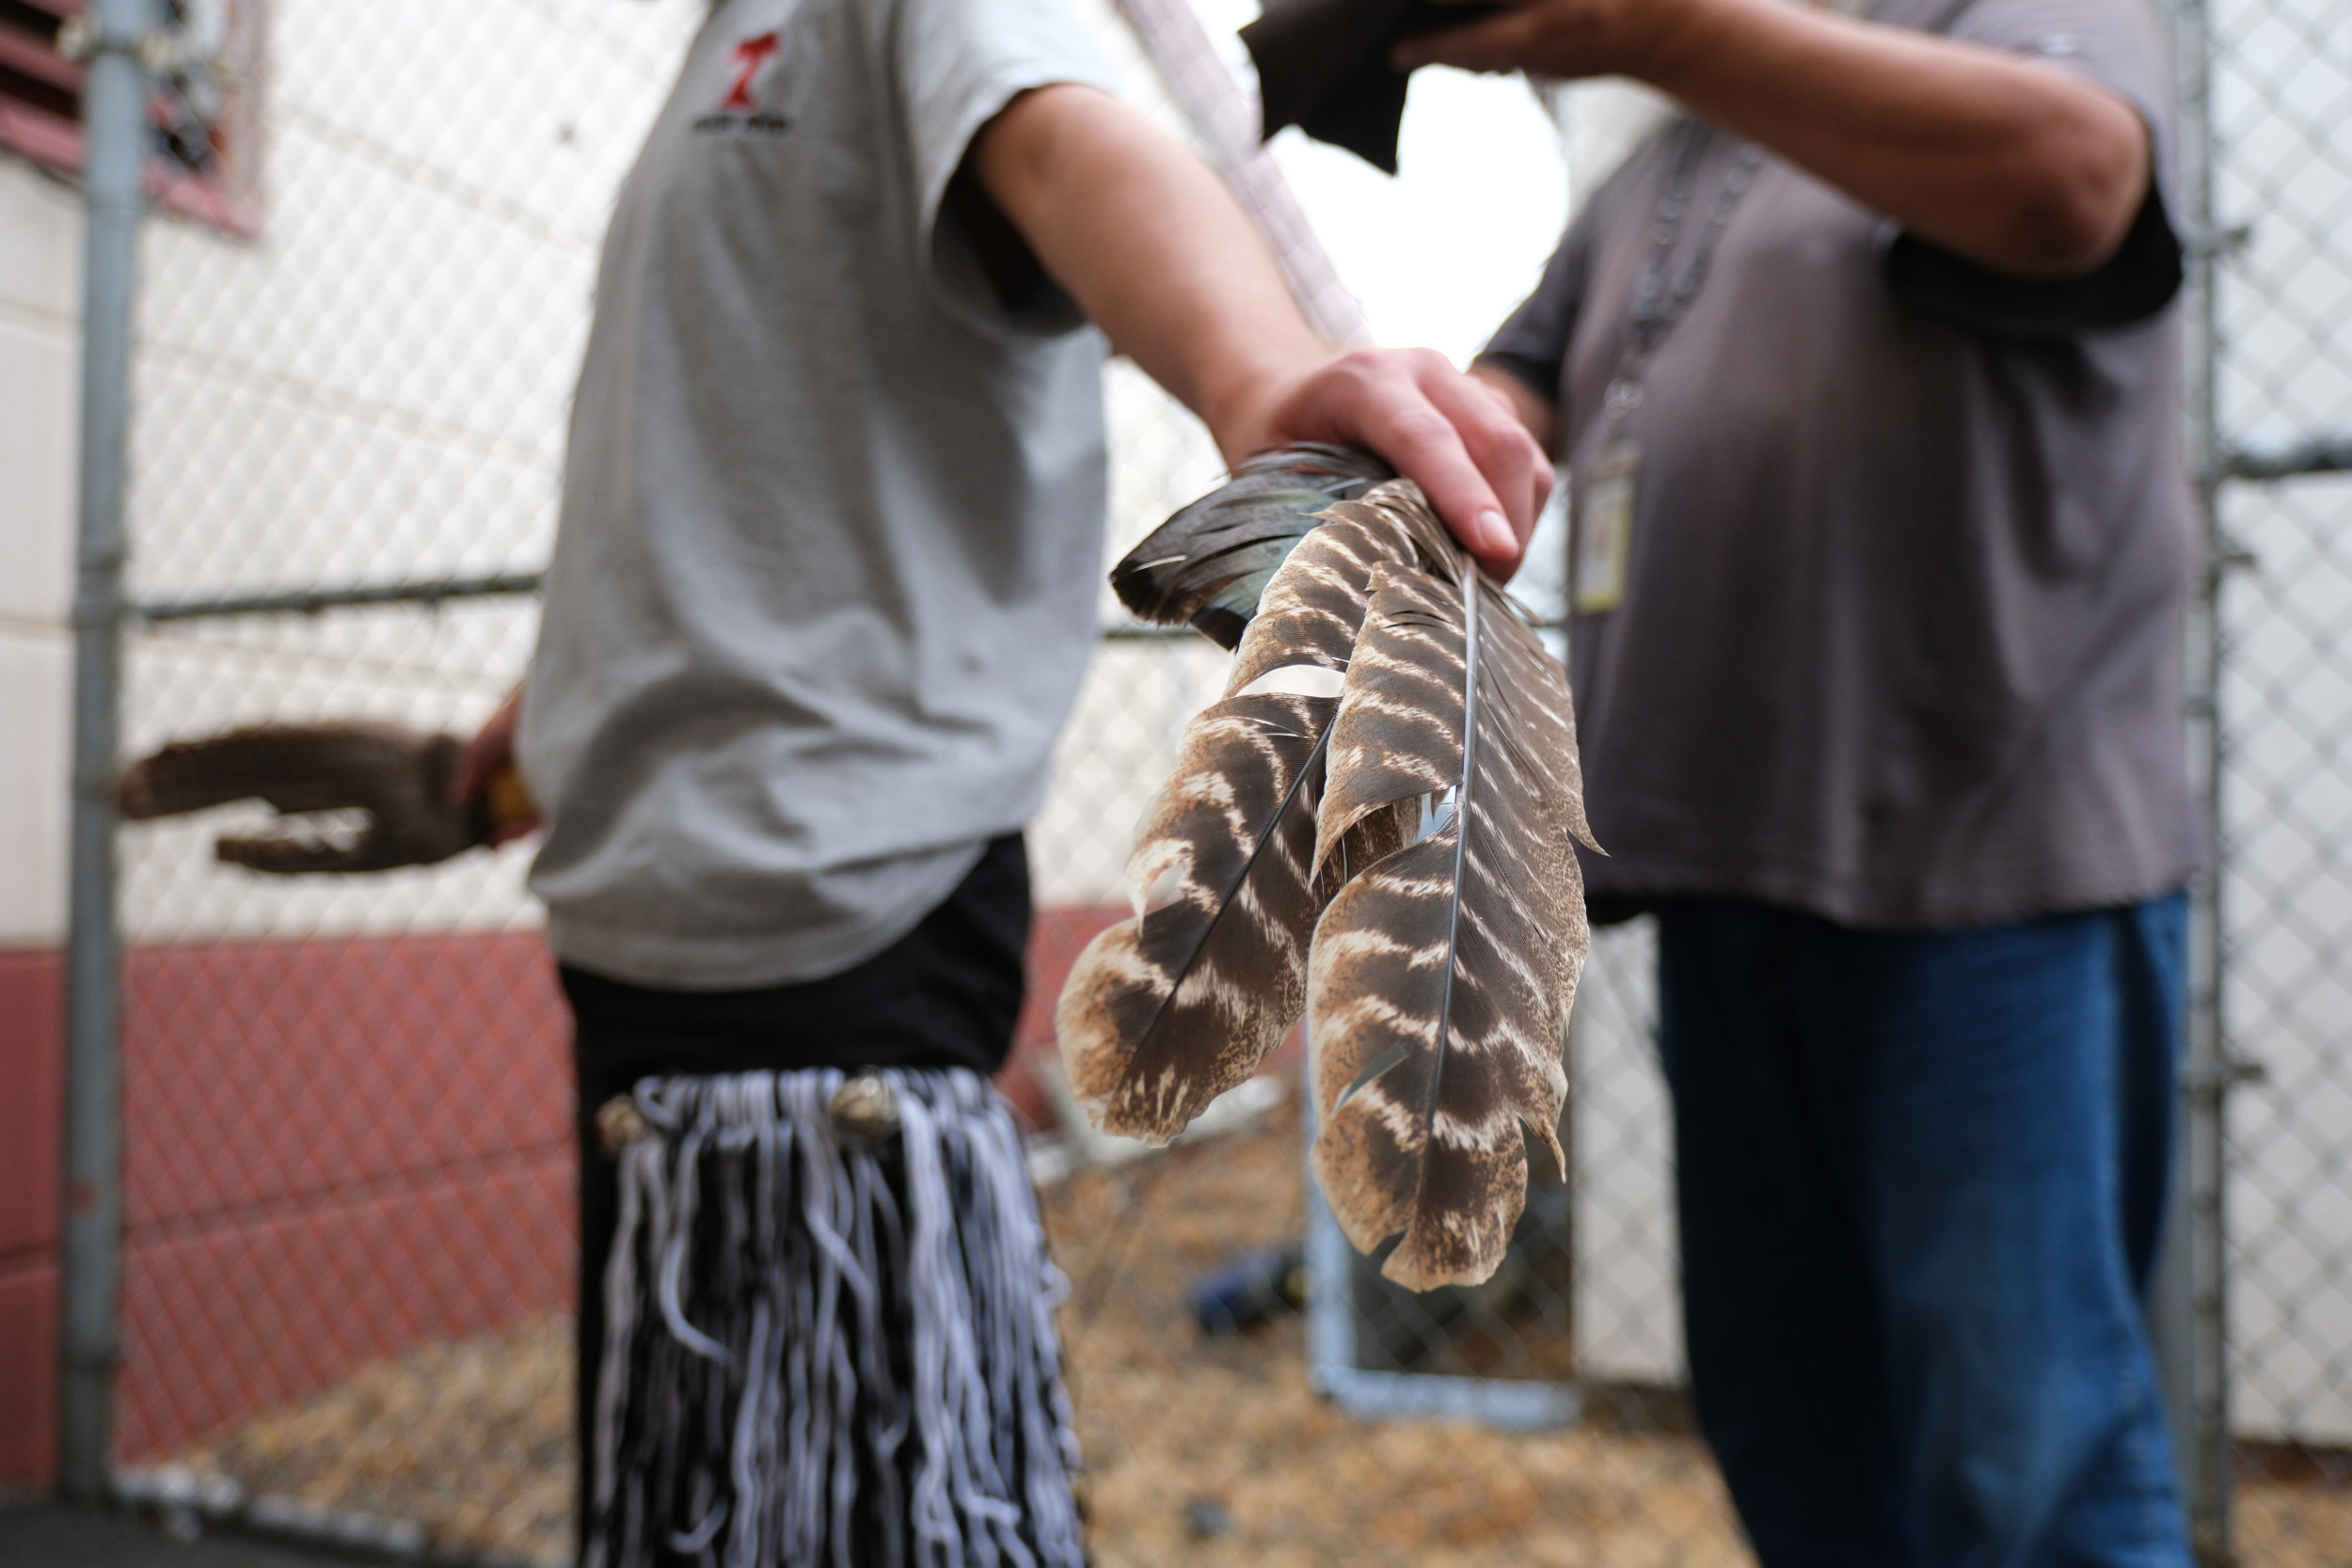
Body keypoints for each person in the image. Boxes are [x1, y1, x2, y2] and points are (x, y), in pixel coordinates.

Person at [453, 0, 1549, 1562]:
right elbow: (721, 443)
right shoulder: (718, 42)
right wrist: (562, 691)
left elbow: (1066, 142)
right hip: (647, 932)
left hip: (828, 936)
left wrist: (1257, 385)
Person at [1384, 0, 2204, 1560]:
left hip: (1985, 880)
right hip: (1722, 873)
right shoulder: (1662, 164)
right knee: (1797, 1436)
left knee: (2026, 1468)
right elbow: (1518, 388)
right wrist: (1398, 463)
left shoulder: (2003, 21)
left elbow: (2074, 180)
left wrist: (1659, 29)